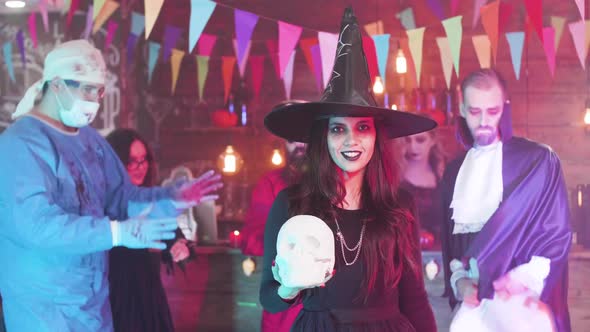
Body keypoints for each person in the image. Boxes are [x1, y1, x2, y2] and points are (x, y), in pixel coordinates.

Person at [0, 40, 222, 332]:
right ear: (56, 85)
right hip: (44, 306)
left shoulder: (90, 141)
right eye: (86, 89)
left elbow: (122, 199)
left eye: (99, 90)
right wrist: (114, 232)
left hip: (92, 302)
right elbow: (36, 225)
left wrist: (174, 198)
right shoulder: (20, 145)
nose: (95, 99)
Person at [260, 7, 437, 331]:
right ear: (323, 137)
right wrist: (290, 286)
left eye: (363, 128)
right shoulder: (291, 204)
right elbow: (269, 297)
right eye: (338, 129)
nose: (351, 140)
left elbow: (414, 297)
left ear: (376, 137)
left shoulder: (399, 206)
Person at [440, 68, 571, 331]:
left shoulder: (537, 162)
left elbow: (556, 236)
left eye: (493, 111)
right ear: (462, 108)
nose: (484, 121)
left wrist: (520, 279)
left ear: (504, 108)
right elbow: (453, 249)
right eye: (475, 112)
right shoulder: (454, 173)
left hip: (523, 305)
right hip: (476, 308)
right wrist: (460, 283)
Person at [106, 128, 191, 332]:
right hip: (114, 304)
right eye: (131, 160)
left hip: (149, 304)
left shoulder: (153, 200)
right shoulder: (102, 203)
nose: (140, 167)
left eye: (143, 159)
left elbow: (172, 234)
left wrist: (180, 246)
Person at [241, 112, 307, 331]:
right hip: (284, 302)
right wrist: (288, 246)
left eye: (305, 136)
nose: (299, 144)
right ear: (284, 145)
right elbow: (251, 238)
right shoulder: (270, 183)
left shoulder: (336, 182)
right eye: (292, 139)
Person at [400, 123, 447, 250]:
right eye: (408, 140)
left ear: (432, 140)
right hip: (403, 251)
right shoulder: (395, 176)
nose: (413, 147)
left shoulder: (443, 175)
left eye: (420, 140)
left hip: (438, 253)